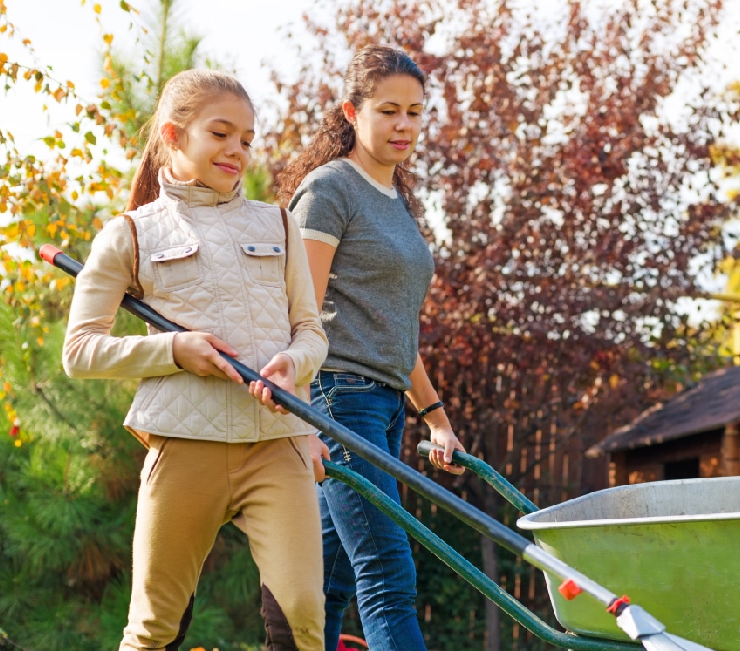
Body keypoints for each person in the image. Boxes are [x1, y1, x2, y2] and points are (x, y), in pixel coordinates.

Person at [62, 69, 330, 650]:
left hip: (274, 442)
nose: (237, 150)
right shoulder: (130, 234)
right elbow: (80, 353)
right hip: (184, 444)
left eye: (247, 139)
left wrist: (293, 363)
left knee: (305, 618)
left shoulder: (278, 223)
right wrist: (175, 350)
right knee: (154, 626)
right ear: (175, 136)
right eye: (221, 133)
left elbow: (311, 330)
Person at [275, 45, 466, 651]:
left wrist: (433, 415)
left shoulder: (395, 202)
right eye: (388, 111)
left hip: (383, 405)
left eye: (415, 112)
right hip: (335, 393)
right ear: (352, 113)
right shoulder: (331, 190)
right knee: (388, 571)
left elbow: (394, 330)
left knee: (328, 577)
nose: (404, 125)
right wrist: (301, 418)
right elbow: (296, 311)